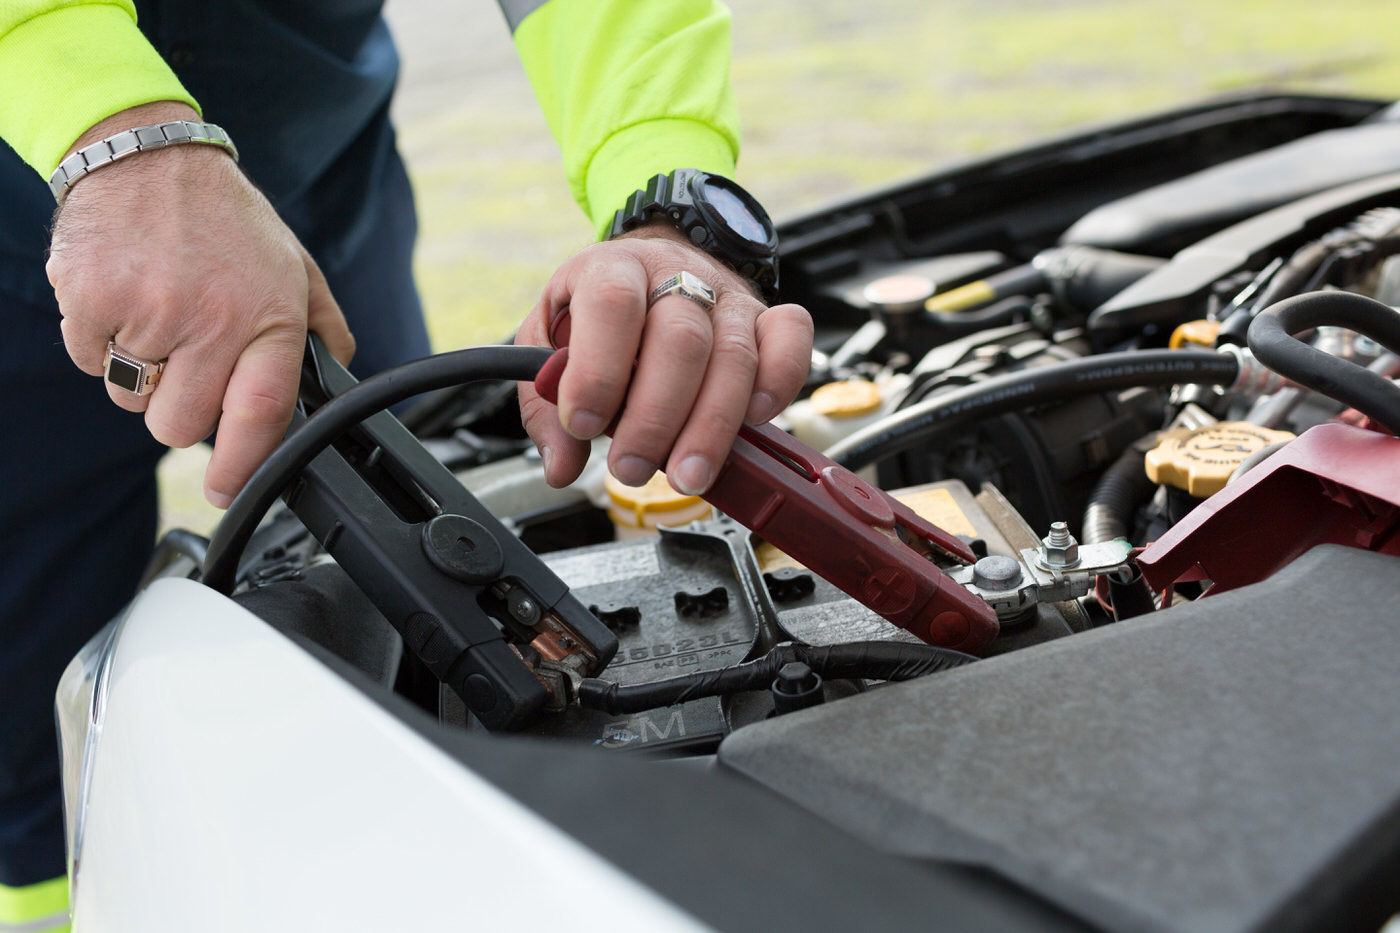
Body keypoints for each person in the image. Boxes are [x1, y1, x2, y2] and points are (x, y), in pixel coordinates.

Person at [0, 1, 813, 928]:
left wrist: (665, 202)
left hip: (316, 195)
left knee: (401, 558)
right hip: (14, 232)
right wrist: (111, 130)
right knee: (29, 716)